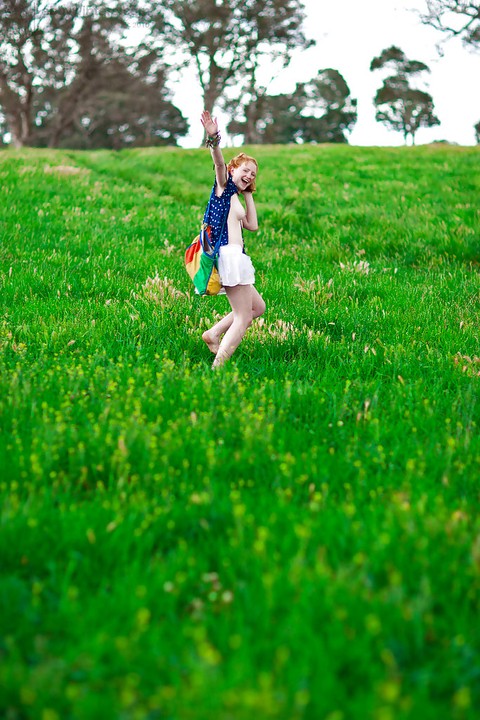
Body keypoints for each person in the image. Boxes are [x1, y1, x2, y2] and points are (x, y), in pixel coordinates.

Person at [199, 110, 266, 369]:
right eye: (245, 171)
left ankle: (213, 334)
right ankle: (218, 367)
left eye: (253, 174)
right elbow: (217, 163)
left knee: (257, 307)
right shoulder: (223, 188)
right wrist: (213, 137)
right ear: (232, 169)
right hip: (228, 255)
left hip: (237, 256)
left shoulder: (237, 197)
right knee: (243, 317)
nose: (249, 175)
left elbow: (252, 225)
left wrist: (249, 192)